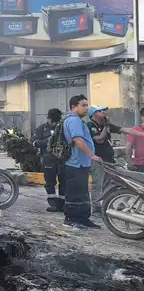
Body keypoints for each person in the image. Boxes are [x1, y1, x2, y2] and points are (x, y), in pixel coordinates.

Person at [61, 95, 102, 229]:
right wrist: (92, 155)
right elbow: (78, 141)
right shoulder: (74, 120)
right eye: (83, 105)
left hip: (82, 163)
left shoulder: (78, 120)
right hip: (75, 163)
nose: (86, 108)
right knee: (75, 193)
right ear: (74, 107)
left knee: (83, 193)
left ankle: (83, 218)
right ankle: (70, 219)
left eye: (87, 105)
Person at [33, 109, 66, 212]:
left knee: (63, 181)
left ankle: (62, 204)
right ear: (48, 119)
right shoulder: (42, 128)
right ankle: (53, 203)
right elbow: (34, 142)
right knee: (50, 182)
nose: (54, 124)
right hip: (48, 158)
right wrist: (49, 141)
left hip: (62, 159)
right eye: (53, 121)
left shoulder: (63, 128)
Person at [128, 108, 144, 172]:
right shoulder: (135, 130)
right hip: (140, 165)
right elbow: (129, 146)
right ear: (142, 117)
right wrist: (129, 162)